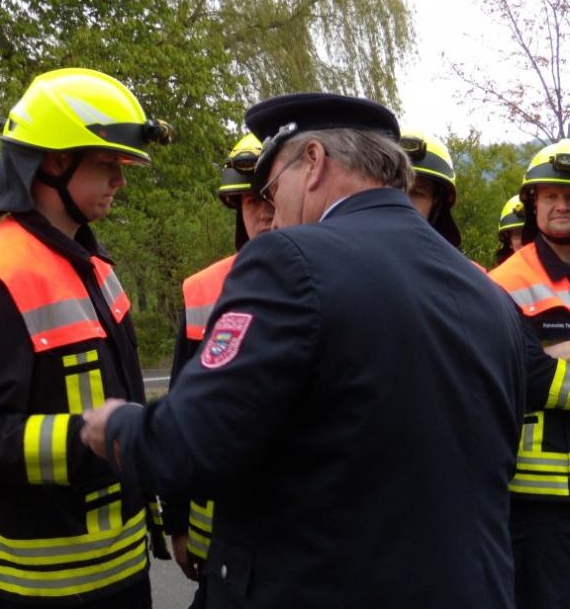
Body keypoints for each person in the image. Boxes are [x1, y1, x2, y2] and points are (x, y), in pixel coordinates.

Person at [81, 93, 525, 608]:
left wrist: (117, 427)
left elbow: (193, 444)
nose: (272, 216)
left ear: (313, 161)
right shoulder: (489, 293)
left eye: (272, 190)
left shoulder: (291, 261)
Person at [0, 68, 172, 607]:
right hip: (42, 582)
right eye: (107, 163)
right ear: (55, 162)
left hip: (119, 562)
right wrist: (87, 436)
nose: (120, 181)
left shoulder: (94, 266)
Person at [165, 133, 272, 604]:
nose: (263, 213)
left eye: (272, 198)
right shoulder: (203, 291)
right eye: (251, 201)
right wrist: (178, 523)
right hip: (218, 541)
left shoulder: (339, 279)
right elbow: (179, 415)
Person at [488, 140, 570, 608]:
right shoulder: (505, 283)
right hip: (532, 503)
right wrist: (542, 364)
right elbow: (523, 375)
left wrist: (553, 354)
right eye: (551, 196)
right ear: (533, 204)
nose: (562, 205)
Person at [400, 130, 461, 247]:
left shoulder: (447, 258)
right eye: (394, 190)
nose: (401, 201)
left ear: (436, 202)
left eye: (416, 193)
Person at [496, 195, 525, 265]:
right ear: (509, 241)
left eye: (532, 232)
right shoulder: (501, 272)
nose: (526, 239)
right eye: (518, 234)